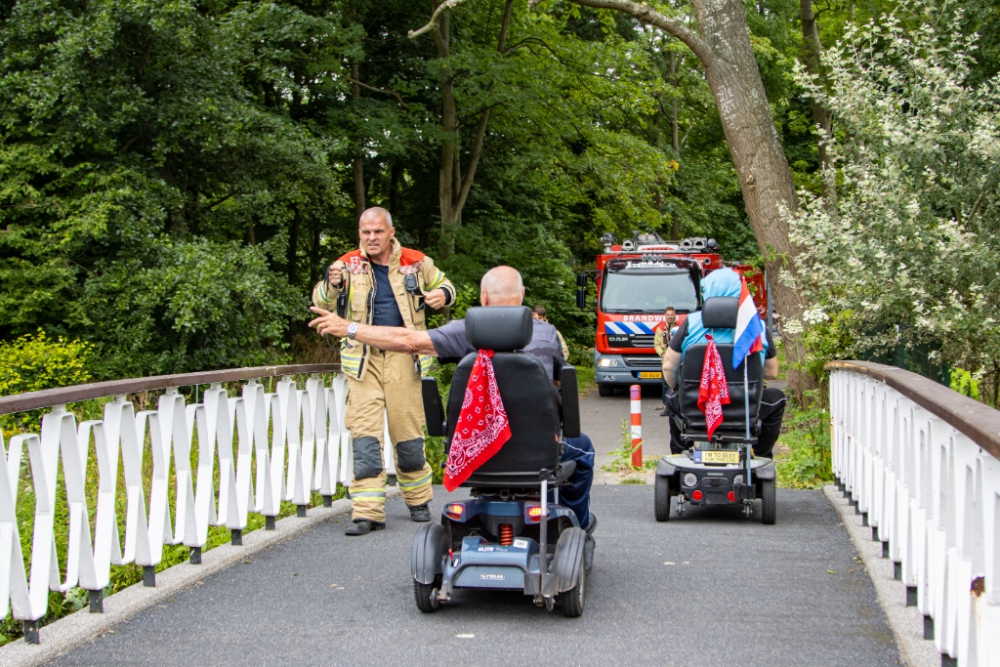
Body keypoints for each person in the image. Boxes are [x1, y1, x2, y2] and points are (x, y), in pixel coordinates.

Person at [311, 266, 597, 532]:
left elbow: (407, 341)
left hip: (475, 453)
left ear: (484, 297)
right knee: (583, 449)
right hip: (538, 453)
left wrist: (349, 328)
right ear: (521, 295)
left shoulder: (465, 332)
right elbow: (558, 387)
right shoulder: (547, 334)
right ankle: (577, 526)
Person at [312, 207, 456, 536]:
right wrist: (332, 285)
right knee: (365, 435)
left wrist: (441, 295)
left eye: (378, 232)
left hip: (404, 355)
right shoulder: (345, 264)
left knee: (408, 432)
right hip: (363, 359)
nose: (372, 238)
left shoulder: (415, 261)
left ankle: (418, 500)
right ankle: (367, 512)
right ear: (359, 234)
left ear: (391, 233)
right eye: (366, 232)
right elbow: (320, 301)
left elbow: (448, 287)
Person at [659, 268, 787, 457]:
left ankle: (680, 453)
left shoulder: (691, 323)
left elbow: (669, 366)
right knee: (778, 398)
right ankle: (761, 454)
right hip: (745, 408)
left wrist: (679, 388)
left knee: (672, 398)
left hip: (698, 406)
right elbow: (771, 372)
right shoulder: (755, 325)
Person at [654, 306, 678, 414]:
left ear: (675, 315)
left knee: (677, 384)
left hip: (677, 361)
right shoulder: (660, 328)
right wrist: (662, 354)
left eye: (672, 314)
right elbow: (657, 344)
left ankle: (677, 407)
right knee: (665, 385)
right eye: (668, 315)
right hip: (666, 361)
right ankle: (667, 407)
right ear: (665, 315)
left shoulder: (679, 327)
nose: (670, 317)